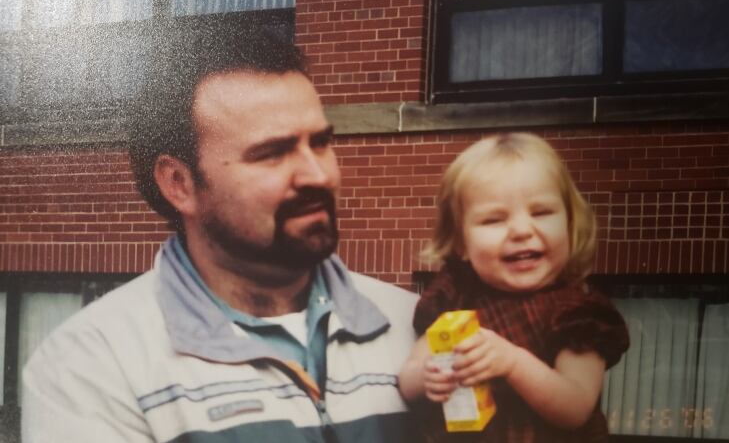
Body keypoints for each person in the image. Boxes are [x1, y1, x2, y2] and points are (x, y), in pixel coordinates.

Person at [22, 28, 419, 442]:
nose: (318, 176)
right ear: (179, 183)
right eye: (271, 154)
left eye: (320, 144)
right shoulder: (91, 365)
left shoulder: (416, 326)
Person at [399, 133, 630, 442]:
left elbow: (575, 407)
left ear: (571, 226)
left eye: (541, 212)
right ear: (461, 244)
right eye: (494, 219)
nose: (522, 230)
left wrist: (511, 362)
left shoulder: (579, 313)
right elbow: (408, 375)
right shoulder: (455, 300)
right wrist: (427, 376)